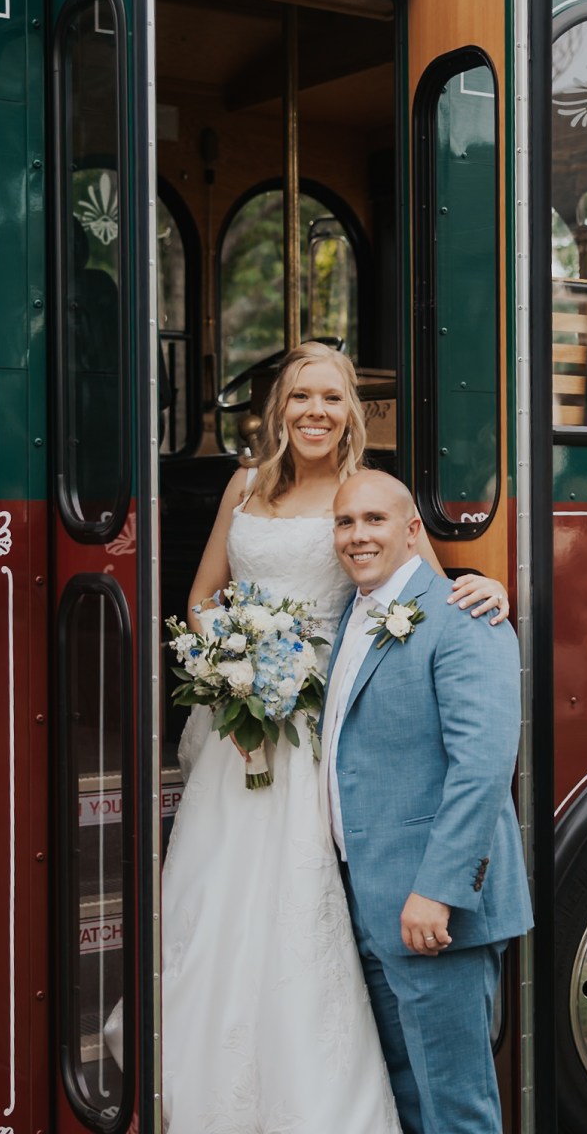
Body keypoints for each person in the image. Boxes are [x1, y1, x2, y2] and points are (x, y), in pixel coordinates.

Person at [153, 341, 510, 1130]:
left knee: (301, 900)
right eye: (300, 397)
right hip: (239, 722)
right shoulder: (243, 485)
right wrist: (232, 666)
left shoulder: (362, 496)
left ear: (353, 411)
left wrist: (487, 587)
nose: (315, 410)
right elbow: (203, 595)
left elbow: (427, 589)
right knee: (216, 898)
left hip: (319, 726)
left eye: (332, 397)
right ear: (277, 409)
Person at [323, 470, 532, 1134]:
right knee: (407, 1098)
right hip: (371, 900)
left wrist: (438, 890)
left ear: (414, 529)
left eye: (375, 520)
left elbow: (482, 769)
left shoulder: (466, 616)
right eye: (345, 522)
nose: (358, 535)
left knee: (456, 1107)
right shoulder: (346, 616)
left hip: (432, 913)